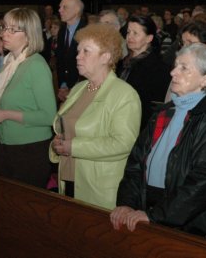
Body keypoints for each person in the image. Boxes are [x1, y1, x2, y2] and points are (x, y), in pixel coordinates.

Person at [111, 44, 206, 243]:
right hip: (152, 209)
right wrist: (127, 204)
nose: (173, 72)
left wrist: (157, 216)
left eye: (184, 68)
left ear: (205, 80)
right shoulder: (163, 113)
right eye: (175, 66)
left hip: (195, 225)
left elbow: (203, 183)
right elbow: (136, 163)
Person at [50, 24, 141, 207]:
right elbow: (65, 128)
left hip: (97, 186)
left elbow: (123, 144)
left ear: (105, 57)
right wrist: (56, 143)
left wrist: (73, 146)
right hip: (68, 177)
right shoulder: (78, 88)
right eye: (78, 51)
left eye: (86, 51)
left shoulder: (124, 94)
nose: (78, 56)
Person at [0, 8, 56, 188]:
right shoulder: (8, 62)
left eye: (12, 30)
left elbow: (49, 116)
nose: (4, 33)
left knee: (24, 202)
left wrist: (5, 114)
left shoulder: (36, 65)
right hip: (6, 143)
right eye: (4, 27)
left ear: (29, 35)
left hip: (30, 149)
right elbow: (9, 100)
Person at [117, 15, 171, 130]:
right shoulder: (122, 63)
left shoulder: (159, 68)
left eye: (135, 33)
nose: (129, 37)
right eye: (128, 32)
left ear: (149, 38)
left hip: (139, 125)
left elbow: (153, 107)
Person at [56, 0, 87, 102]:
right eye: (60, 7)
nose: (60, 10)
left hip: (81, 88)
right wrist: (63, 85)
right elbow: (60, 60)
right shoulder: (62, 30)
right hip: (63, 88)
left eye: (64, 7)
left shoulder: (86, 31)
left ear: (77, 10)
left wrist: (73, 89)